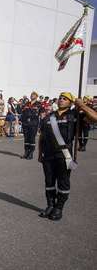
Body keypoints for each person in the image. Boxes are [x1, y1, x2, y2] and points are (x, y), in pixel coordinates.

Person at [38, 93, 97, 221]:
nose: (61, 100)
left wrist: (82, 105)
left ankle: (59, 208)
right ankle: (50, 205)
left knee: (63, 182)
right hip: (47, 155)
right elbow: (42, 137)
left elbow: (95, 118)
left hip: (64, 156)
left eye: (65, 99)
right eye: (60, 98)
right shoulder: (49, 117)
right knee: (49, 182)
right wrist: (39, 154)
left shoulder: (74, 115)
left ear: (71, 103)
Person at [20, 91, 42, 160]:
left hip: (33, 123)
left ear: (36, 96)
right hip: (26, 123)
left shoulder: (39, 104)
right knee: (26, 138)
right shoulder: (27, 103)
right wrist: (22, 120)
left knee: (32, 138)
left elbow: (41, 114)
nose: (32, 96)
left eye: (33, 95)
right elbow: (22, 112)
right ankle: (26, 152)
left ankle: (31, 153)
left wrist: (41, 125)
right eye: (31, 95)